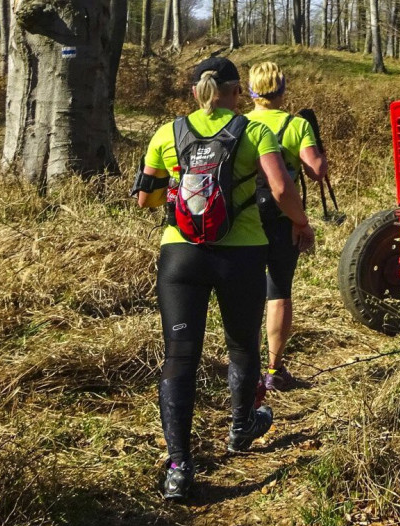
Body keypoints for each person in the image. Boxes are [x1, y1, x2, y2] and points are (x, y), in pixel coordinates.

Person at [134, 56, 316, 501]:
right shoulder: (255, 131)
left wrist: (180, 191)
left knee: (180, 356)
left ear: (196, 92)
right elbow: (280, 188)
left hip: (180, 257)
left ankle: (179, 466)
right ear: (236, 91)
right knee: (241, 344)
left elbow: (146, 199)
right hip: (242, 254)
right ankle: (240, 427)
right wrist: (302, 223)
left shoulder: (167, 132)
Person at [247, 61, 328, 392]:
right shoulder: (297, 126)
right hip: (283, 220)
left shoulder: (239, 123)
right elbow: (316, 171)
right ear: (282, 88)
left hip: (243, 220)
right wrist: (316, 138)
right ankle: (274, 368)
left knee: (245, 293)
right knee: (278, 290)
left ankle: (244, 366)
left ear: (250, 90)